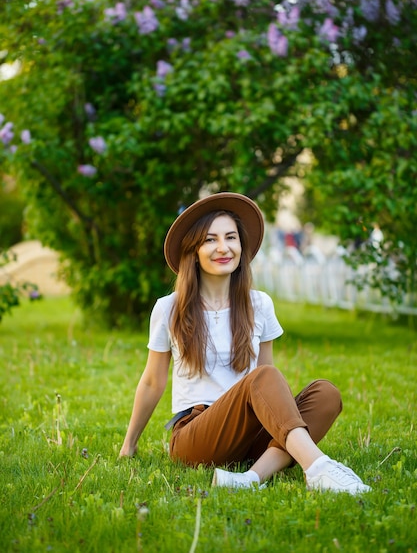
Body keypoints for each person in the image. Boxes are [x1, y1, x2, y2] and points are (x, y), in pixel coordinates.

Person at [119, 192, 371, 494]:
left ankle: (249, 479)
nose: (223, 248)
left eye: (231, 237)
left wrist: (282, 422)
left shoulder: (259, 304)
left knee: (326, 394)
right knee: (262, 377)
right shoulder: (169, 308)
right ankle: (318, 467)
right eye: (210, 240)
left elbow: (268, 381)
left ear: (242, 245)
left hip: (250, 432)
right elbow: (151, 382)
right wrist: (128, 445)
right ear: (193, 250)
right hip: (196, 437)